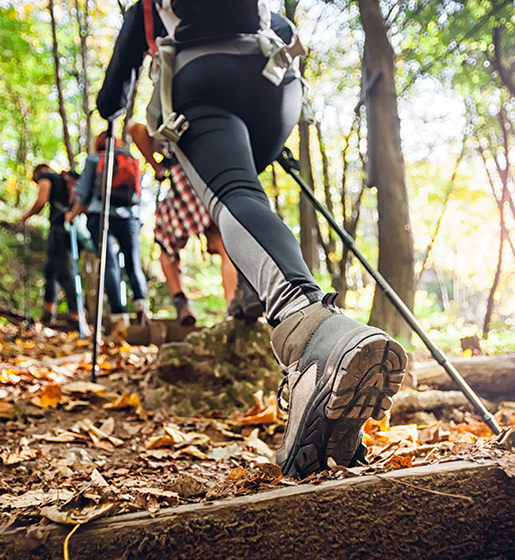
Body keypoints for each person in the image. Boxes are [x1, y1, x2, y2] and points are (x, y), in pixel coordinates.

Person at [96, 1, 407, 478]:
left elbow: (112, 98)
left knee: (234, 195)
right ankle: (254, 295)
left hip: (205, 81)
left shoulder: (147, 8)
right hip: (276, 84)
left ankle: (310, 335)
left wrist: (113, 107)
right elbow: (281, 26)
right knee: (247, 193)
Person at [128, 120, 239, 326]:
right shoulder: (205, 120)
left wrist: (157, 167)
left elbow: (134, 128)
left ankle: (182, 303)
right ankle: (233, 307)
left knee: (167, 247)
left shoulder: (167, 116)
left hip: (180, 184)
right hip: (209, 179)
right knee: (225, 247)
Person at [69, 131, 149, 325]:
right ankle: (141, 305)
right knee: (133, 263)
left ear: (99, 144)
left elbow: (84, 193)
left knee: (109, 263)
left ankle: (118, 315)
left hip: (100, 214)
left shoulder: (94, 159)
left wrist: (72, 214)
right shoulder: (129, 159)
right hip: (129, 217)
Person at [21, 164, 84, 331]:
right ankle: (49, 313)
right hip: (72, 229)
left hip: (60, 228)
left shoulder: (47, 177)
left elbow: (41, 200)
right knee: (51, 270)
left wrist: (27, 215)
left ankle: (76, 317)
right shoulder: (65, 181)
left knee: (65, 272)